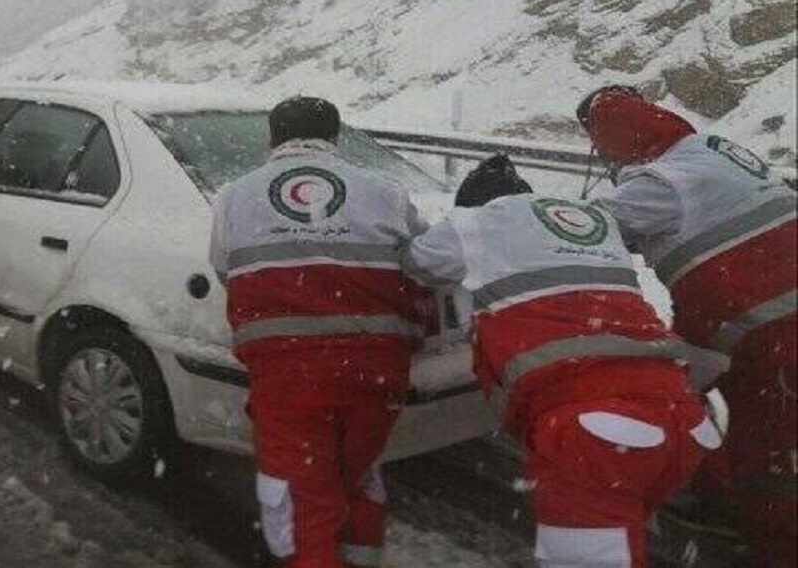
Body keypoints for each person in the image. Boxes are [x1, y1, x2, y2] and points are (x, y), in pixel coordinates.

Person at [404, 154, 727, 568]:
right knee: (625, 538)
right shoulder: (591, 221)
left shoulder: (480, 221)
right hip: (680, 411)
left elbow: (417, 263)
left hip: (595, 425)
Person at [208, 96, 431, 568]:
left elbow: (225, 267)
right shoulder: (385, 191)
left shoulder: (234, 195)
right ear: (335, 137)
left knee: (300, 497)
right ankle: (360, 557)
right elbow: (425, 264)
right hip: (376, 369)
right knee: (358, 475)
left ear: (272, 138)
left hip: (287, 373)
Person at [578, 86, 796, 567]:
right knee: (683, 386)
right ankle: (721, 494)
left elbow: (578, 231)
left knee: (768, 451)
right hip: (746, 326)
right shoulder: (713, 151)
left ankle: (771, 540)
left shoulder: (660, 184)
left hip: (768, 331)